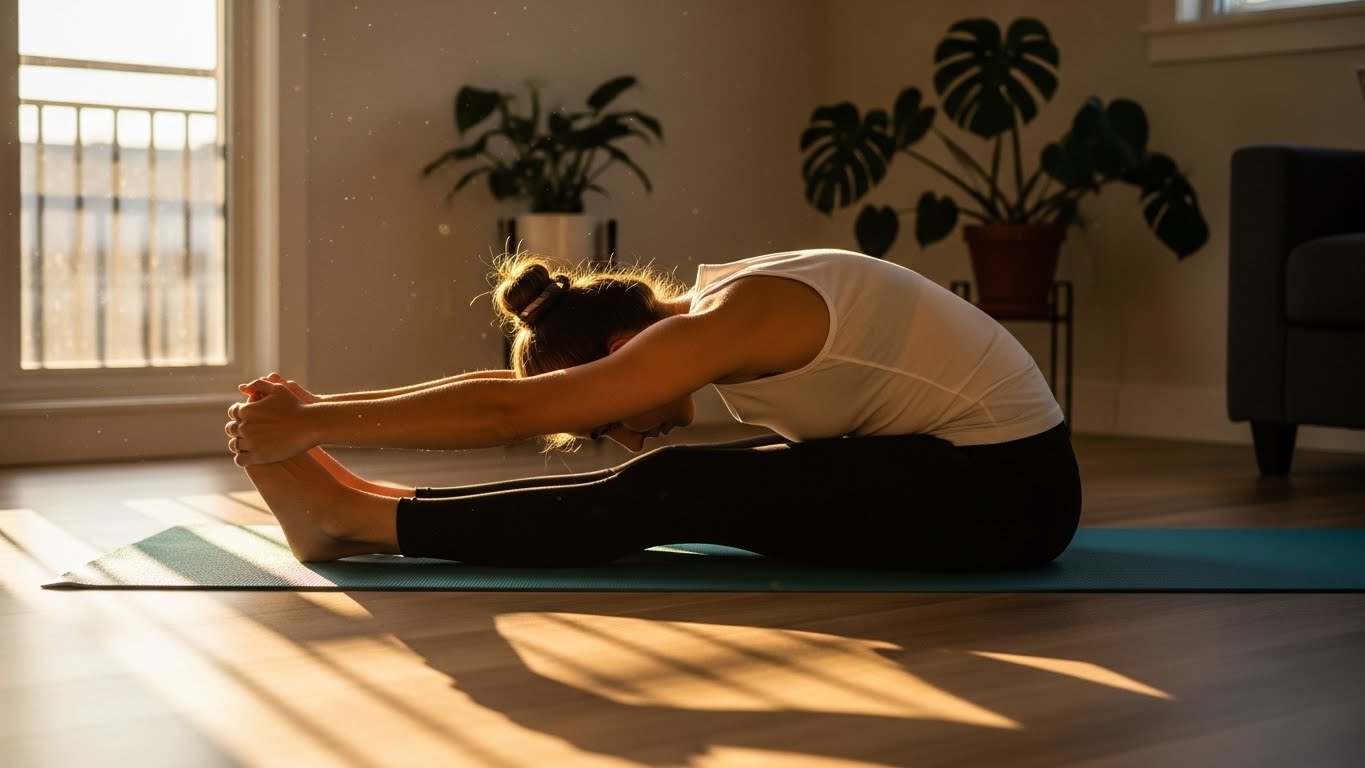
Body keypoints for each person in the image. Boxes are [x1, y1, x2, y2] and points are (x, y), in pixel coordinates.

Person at [225, 248, 1082, 570]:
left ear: (616, 356)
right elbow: (511, 407)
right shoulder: (732, 307)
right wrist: (319, 415)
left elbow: (502, 416)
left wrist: (313, 419)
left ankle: (352, 519)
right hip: (959, 471)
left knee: (665, 485)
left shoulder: (731, 320)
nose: (624, 433)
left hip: (1005, 497)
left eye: (606, 417)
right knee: (670, 480)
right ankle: (366, 510)